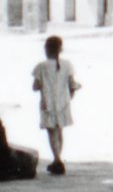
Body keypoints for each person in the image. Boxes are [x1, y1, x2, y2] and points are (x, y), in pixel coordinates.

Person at [31, 35, 78, 176]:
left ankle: (57, 159)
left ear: (46, 49)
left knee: (51, 132)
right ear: (60, 49)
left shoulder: (41, 66)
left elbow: (35, 86)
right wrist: (69, 96)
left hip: (48, 102)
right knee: (60, 131)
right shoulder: (67, 65)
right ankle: (58, 159)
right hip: (63, 102)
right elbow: (72, 85)